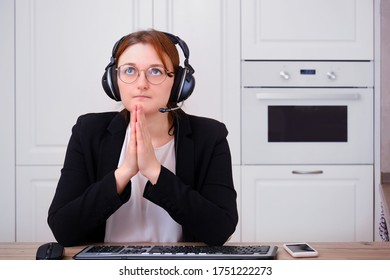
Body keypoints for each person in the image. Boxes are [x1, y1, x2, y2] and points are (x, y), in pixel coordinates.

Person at [47, 29, 238, 247]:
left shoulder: (210, 136)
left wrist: (155, 172)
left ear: (178, 83)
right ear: (113, 80)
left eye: (155, 71)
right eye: (129, 70)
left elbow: (220, 229)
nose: (141, 83)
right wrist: (123, 173)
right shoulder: (88, 132)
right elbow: (63, 229)